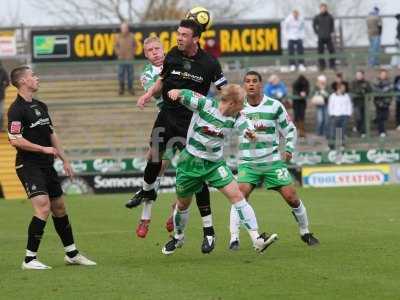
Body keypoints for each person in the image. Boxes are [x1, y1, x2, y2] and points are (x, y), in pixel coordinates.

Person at [128, 19, 228, 253]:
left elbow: (225, 90)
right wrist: (147, 95)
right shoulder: (172, 54)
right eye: (178, 34)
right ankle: (145, 191)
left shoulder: (210, 63)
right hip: (166, 117)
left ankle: (208, 231)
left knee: (196, 173)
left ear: (195, 38)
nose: (179, 37)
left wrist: (229, 109)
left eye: (184, 34)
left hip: (190, 123)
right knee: (153, 156)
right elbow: (161, 81)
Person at [162, 84, 278, 255]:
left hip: (214, 164)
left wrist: (251, 134)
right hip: (190, 162)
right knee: (182, 204)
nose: (243, 106)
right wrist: (176, 92)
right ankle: (179, 238)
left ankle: (257, 239)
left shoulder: (237, 117)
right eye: (241, 103)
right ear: (232, 103)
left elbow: (246, 127)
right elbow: (185, 94)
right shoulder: (205, 105)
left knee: (238, 196)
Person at [7, 65, 96, 269]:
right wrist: (43, 149)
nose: (36, 78)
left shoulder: (40, 106)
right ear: (22, 82)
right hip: (28, 164)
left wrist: (65, 159)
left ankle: (71, 253)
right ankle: (29, 259)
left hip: (47, 165)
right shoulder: (16, 109)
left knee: (59, 207)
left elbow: (51, 134)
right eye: (32, 76)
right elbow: (15, 140)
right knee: (43, 207)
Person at [228, 71, 318, 251]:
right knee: (240, 195)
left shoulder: (274, 105)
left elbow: (290, 130)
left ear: (261, 84)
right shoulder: (238, 107)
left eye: (255, 81)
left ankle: (305, 231)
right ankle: (234, 238)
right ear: (244, 85)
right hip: (248, 162)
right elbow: (228, 125)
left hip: (272, 161)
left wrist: (290, 149)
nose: (251, 84)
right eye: (248, 81)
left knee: (292, 197)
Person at [327, 83, 353, 148]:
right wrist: (331, 114)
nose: (344, 89)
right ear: (338, 88)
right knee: (333, 131)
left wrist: (348, 114)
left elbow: (349, 105)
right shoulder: (333, 96)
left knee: (342, 131)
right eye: (342, 87)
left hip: (344, 115)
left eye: (344, 88)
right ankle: (331, 145)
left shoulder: (346, 96)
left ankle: (340, 145)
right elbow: (330, 105)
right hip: (335, 115)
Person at [114, 22, 136, 95]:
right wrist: (118, 53)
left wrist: (133, 53)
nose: (124, 29)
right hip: (121, 59)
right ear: (121, 29)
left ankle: (130, 89)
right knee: (121, 74)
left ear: (128, 28)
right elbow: (115, 46)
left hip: (130, 59)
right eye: (123, 28)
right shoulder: (117, 37)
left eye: (126, 28)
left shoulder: (132, 36)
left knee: (130, 75)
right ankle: (121, 89)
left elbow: (135, 45)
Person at [313, 3, 336, 70]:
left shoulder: (330, 17)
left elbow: (332, 26)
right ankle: (322, 66)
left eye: (324, 8)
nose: (323, 9)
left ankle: (332, 65)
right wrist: (317, 32)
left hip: (328, 37)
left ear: (326, 8)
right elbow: (314, 25)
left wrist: (331, 32)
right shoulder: (317, 17)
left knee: (332, 50)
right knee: (320, 51)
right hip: (320, 37)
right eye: (322, 8)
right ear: (320, 9)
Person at [350, 70, 372, 137]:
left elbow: (369, 91)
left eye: (360, 75)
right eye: (357, 75)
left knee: (364, 118)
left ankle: (363, 132)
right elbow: (354, 91)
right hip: (356, 103)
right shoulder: (353, 83)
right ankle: (358, 128)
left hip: (364, 103)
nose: (358, 76)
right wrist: (361, 90)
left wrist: (363, 91)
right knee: (358, 117)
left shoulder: (366, 82)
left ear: (363, 75)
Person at [373, 69, 393, 137]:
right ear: (380, 74)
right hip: (378, 102)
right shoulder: (376, 81)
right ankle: (381, 131)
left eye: (385, 74)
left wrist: (388, 100)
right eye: (382, 74)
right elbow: (375, 89)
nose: (383, 75)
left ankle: (376, 121)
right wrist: (384, 90)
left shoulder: (389, 81)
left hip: (386, 102)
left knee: (385, 116)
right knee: (380, 117)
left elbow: (391, 90)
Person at [0, 61, 10, 131]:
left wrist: (2, 87)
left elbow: (7, 82)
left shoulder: (3, 71)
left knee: (1, 112)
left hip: (1, 96)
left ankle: (1, 127)